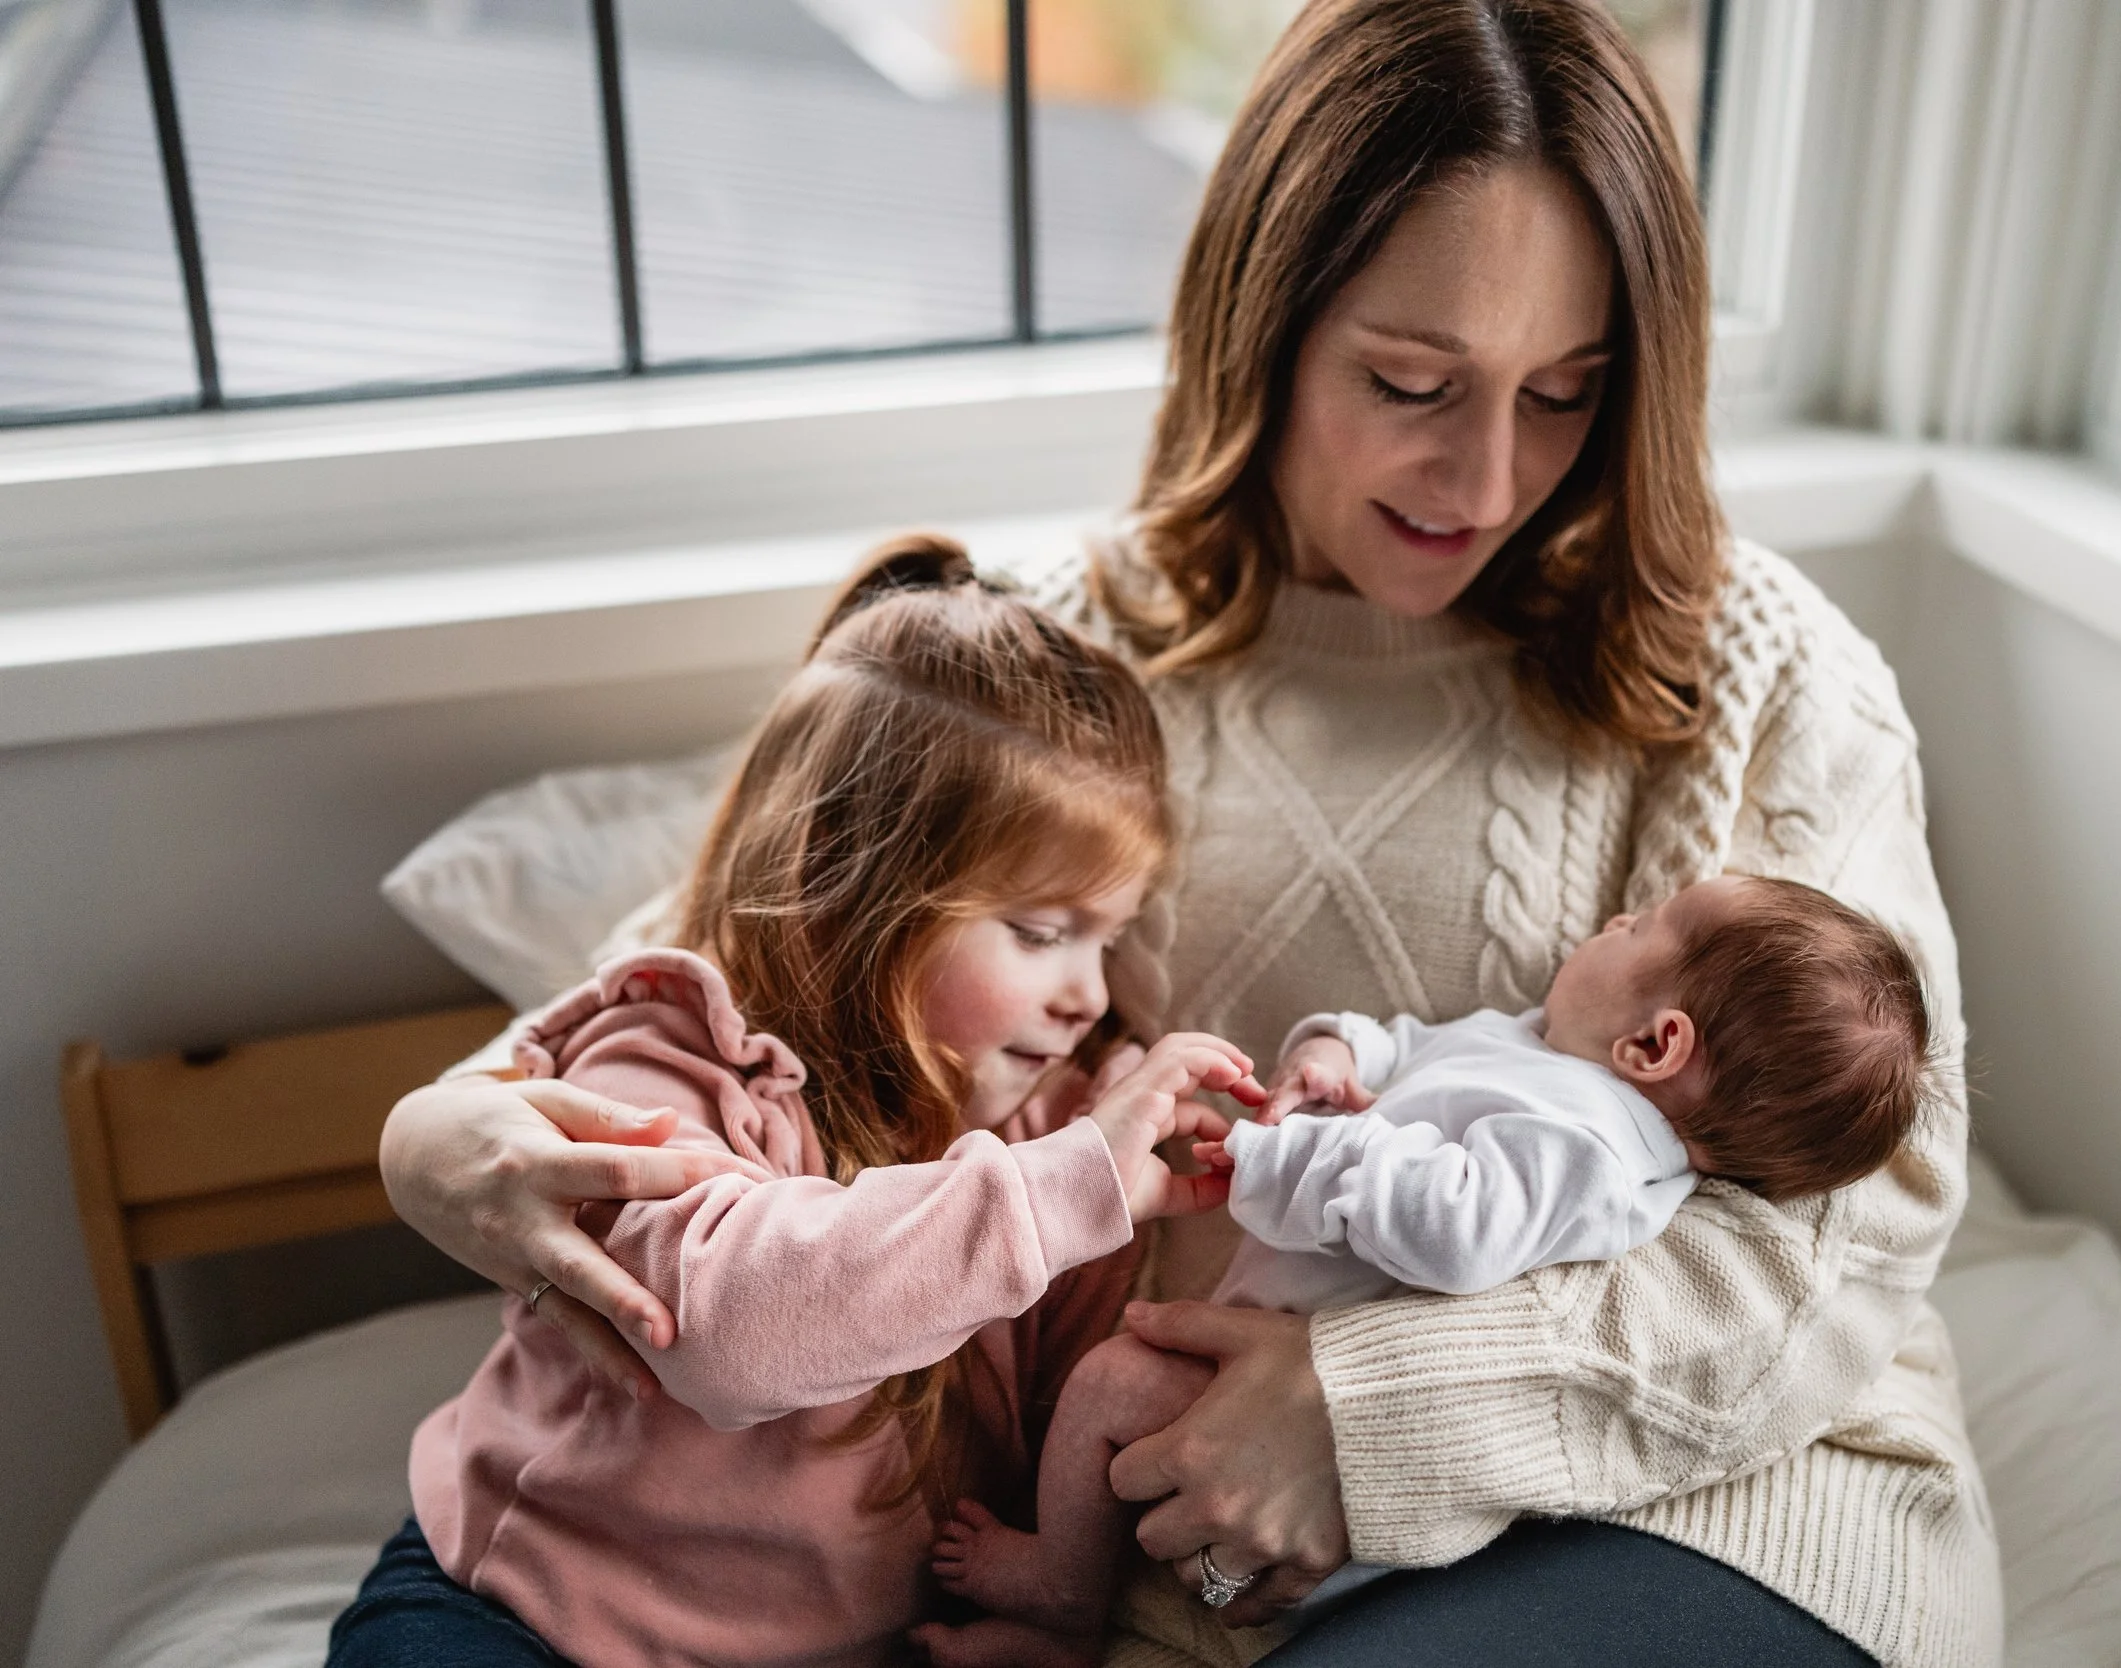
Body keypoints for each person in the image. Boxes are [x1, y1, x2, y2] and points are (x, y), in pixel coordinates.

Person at [379, 2, 2001, 1664]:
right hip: (1168, 1549)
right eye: (1411, 382)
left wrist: (1368, 1413)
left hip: (1698, 1506)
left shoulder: (1764, 672)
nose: (1486, 477)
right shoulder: (1059, 644)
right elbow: (752, 963)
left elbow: (1852, 1232)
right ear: (1264, 322)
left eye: (1566, 395)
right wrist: (445, 1130)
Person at [330, 543, 1267, 1668]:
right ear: (846, 886)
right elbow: (724, 1337)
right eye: (1038, 933)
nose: (1089, 995)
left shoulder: (1056, 1131)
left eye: (1108, 939)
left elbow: (1056, 1433)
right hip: (534, 1610)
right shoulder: (668, 1056)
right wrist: (1071, 1186)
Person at [924, 874, 1933, 1665]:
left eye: (1642, 926)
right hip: (1275, 1376)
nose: (1616, 919)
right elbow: (1412, 1051)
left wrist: (1287, 1158)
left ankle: (1062, 1597)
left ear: (1655, 1042)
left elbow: (1458, 1226)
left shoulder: (1590, 1145)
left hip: (1342, 1442)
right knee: (1114, 1382)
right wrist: (1336, 1055)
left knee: (1110, 1382)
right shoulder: (1538, 1048)